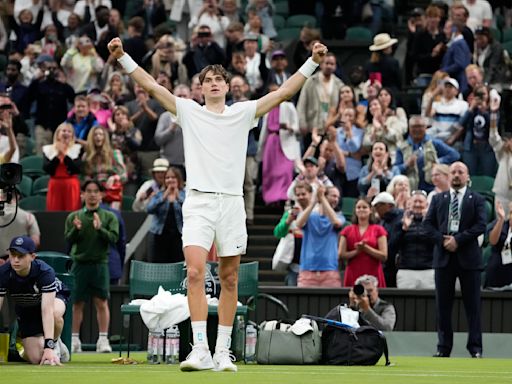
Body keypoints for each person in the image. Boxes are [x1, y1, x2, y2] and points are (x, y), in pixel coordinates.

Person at [107, 35, 329, 372]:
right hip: (197, 202)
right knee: (195, 272)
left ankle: (223, 351)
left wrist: (312, 61)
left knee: (229, 278)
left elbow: (284, 93)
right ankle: (200, 349)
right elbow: (152, 86)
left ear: (227, 87)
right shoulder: (188, 111)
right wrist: (123, 58)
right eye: (206, 80)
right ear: (199, 89)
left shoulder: (244, 112)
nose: (212, 84)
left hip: (231, 204)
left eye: (217, 80)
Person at [424, 162, 487, 358]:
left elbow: (481, 225)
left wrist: (458, 240)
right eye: (453, 172)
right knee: (443, 307)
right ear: (448, 176)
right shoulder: (438, 199)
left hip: (469, 259)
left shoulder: (477, 199)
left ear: (467, 176)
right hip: (443, 259)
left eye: (460, 172)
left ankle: (475, 348)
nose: (456, 175)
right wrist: (443, 241)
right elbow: (427, 225)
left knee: (473, 307)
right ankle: (443, 348)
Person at [65, 180, 119, 354]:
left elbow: (114, 239)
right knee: (76, 303)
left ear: (101, 195)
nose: (92, 194)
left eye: (96, 191)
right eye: (89, 191)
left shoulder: (109, 217)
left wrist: (100, 229)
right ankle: (74, 340)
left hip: (100, 264)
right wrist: (76, 229)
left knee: (101, 302)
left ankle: (103, 340)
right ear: (82, 194)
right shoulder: (74, 217)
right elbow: (68, 239)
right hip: (79, 264)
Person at [0, 236, 69, 365]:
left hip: (52, 300)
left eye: (21, 256)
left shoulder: (45, 272)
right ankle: (50, 346)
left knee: (54, 313)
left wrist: (48, 347)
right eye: (12, 255)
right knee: (36, 359)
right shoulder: (3, 273)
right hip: (27, 308)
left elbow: (47, 310)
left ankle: (55, 344)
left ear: (32, 256)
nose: (15, 260)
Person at [295, 185, 345, 288]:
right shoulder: (310, 216)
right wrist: (314, 202)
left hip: (330, 271)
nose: (336, 200)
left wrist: (322, 199)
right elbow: (299, 224)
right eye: (333, 196)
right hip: (308, 270)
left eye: (337, 197)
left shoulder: (339, 216)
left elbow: (337, 223)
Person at [395, 115, 460, 192]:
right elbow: (395, 170)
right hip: (410, 188)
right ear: (409, 128)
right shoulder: (402, 147)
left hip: (432, 188)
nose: (417, 130)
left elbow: (455, 155)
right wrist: (406, 165)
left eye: (420, 127)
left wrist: (438, 162)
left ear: (426, 127)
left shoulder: (434, 143)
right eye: (414, 127)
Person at [339, 198, 388, 287]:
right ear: (355, 210)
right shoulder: (347, 230)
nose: (361, 209)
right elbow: (341, 254)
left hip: (373, 273)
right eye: (358, 207)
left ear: (370, 210)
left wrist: (366, 249)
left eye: (364, 207)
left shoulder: (379, 230)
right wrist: (356, 252)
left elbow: (384, 256)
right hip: (353, 272)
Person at [396, 191, 435, 289]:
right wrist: (404, 229)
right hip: (406, 271)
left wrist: (428, 223)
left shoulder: (434, 222)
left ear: (427, 205)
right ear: (409, 204)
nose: (417, 204)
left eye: (420, 202)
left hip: (429, 271)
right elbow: (393, 245)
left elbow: (437, 243)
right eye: (415, 201)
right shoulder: (400, 221)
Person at [146, 167, 186, 263]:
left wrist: (178, 198)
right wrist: (163, 197)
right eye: (167, 178)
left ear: (178, 179)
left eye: (173, 177)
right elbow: (149, 209)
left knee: (177, 263)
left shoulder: (185, 194)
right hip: (160, 235)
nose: (170, 180)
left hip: (178, 236)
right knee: (159, 263)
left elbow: (189, 211)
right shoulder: (159, 194)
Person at [43, 122, 83, 211]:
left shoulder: (77, 149)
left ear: (72, 136)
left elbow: (77, 169)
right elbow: (47, 169)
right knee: (54, 212)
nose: (66, 133)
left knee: (72, 213)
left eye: (69, 132)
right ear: (57, 134)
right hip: (55, 185)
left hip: (71, 185)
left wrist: (64, 154)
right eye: (64, 131)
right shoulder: (48, 149)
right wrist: (58, 155)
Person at [372, 192, 403, 288]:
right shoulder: (382, 222)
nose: (376, 209)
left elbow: (394, 242)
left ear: (388, 205)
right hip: (386, 266)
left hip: (397, 264)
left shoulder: (401, 218)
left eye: (378, 206)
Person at [485, 200, 512, 289]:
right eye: (511, 212)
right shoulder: (501, 224)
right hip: (496, 273)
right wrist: (501, 220)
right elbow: (493, 240)